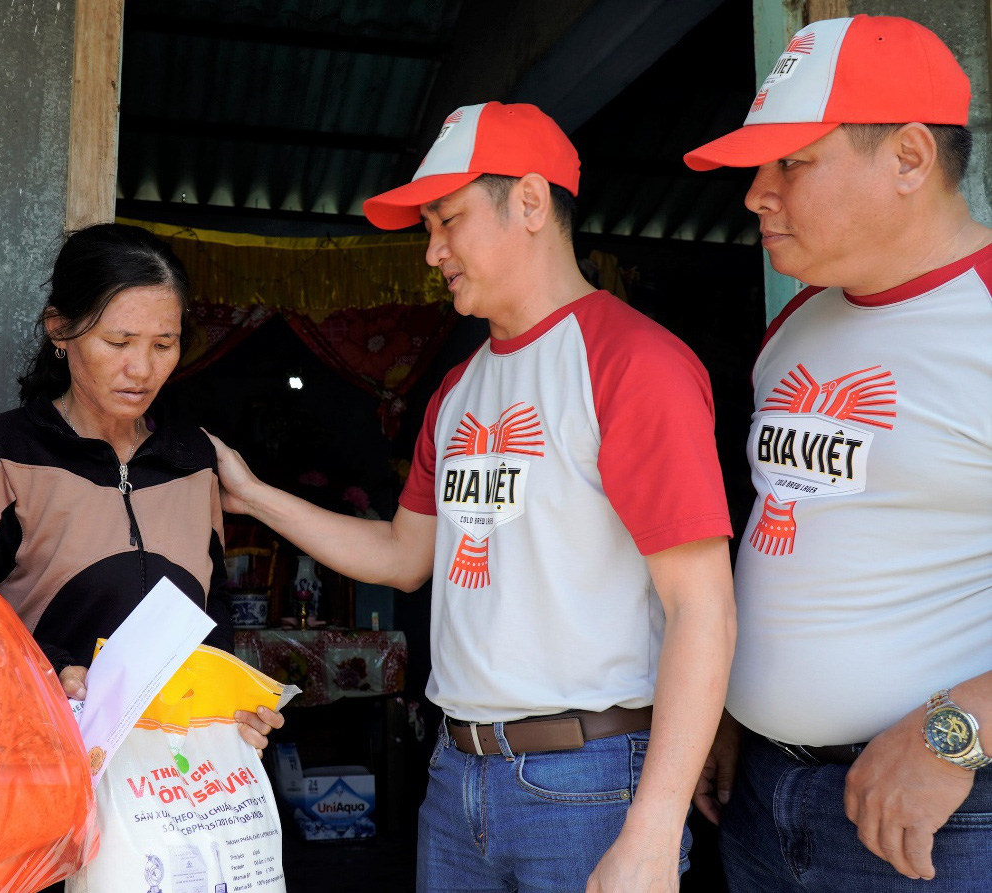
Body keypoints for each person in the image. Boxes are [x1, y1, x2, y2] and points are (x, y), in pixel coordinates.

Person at [208, 101, 736, 892]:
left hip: (587, 777)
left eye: (448, 220)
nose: (432, 252)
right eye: (429, 226)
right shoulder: (457, 389)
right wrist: (252, 494)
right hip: (456, 774)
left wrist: (655, 827)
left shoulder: (631, 362)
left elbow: (704, 606)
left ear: (528, 202)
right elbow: (401, 555)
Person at [684, 15, 992, 891]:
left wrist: (959, 730)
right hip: (760, 795)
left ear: (906, 158)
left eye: (793, 162)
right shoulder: (796, 324)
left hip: (940, 809)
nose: (754, 193)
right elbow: (798, 532)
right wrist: (739, 703)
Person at [0, 222, 283, 753]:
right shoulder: (7, 454)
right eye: (118, 341)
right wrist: (47, 671)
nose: (141, 369)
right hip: (36, 762)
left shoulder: (193, 459)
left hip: (174, 779)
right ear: (59, 329)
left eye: (163, 345)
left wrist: (232, 709)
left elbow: (211, 611)